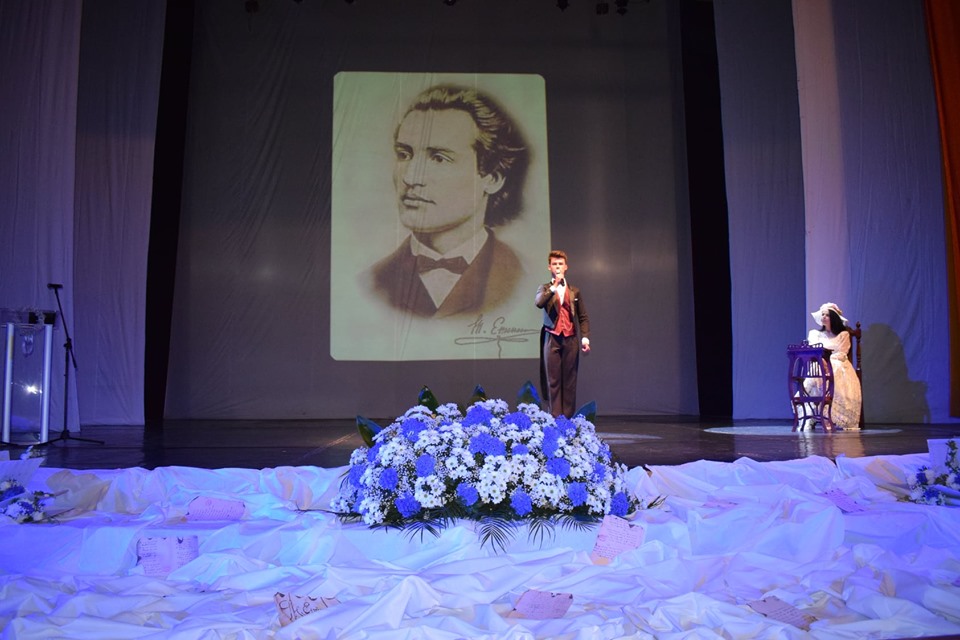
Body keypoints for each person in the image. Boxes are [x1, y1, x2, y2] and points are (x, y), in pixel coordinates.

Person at [368, 84, 529, 318]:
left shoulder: (526, 280)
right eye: (404, 154)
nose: (410, 177)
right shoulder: (371, 283)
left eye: (439, 158)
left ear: (492, 178)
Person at [536, 250, 590, 418]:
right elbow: (539, 303)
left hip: (570, 339)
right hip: (552, 337)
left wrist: (585, 338)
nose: (558, 267)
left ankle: (567, 420)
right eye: (554, 264)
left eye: (560, 264)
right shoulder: (545, 288)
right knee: (553, 381)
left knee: (569, 381)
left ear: (566, 267)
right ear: (549, 267)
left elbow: (582, 316)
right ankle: (555, 418)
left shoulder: (574, 291)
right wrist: (554, 287)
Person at [802, 302, 862, 430]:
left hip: (838, 363)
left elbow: (842, 353)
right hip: (819, 365)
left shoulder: (843, 335)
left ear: (833, 318)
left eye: (827, 315)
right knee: (817, 371)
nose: (823, 317)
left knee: (833, 369)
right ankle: (813, 415)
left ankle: (831, 414)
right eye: (822, 314)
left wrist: (828, 361)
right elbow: (813, 351)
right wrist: (822, 361)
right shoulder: (815, 334)